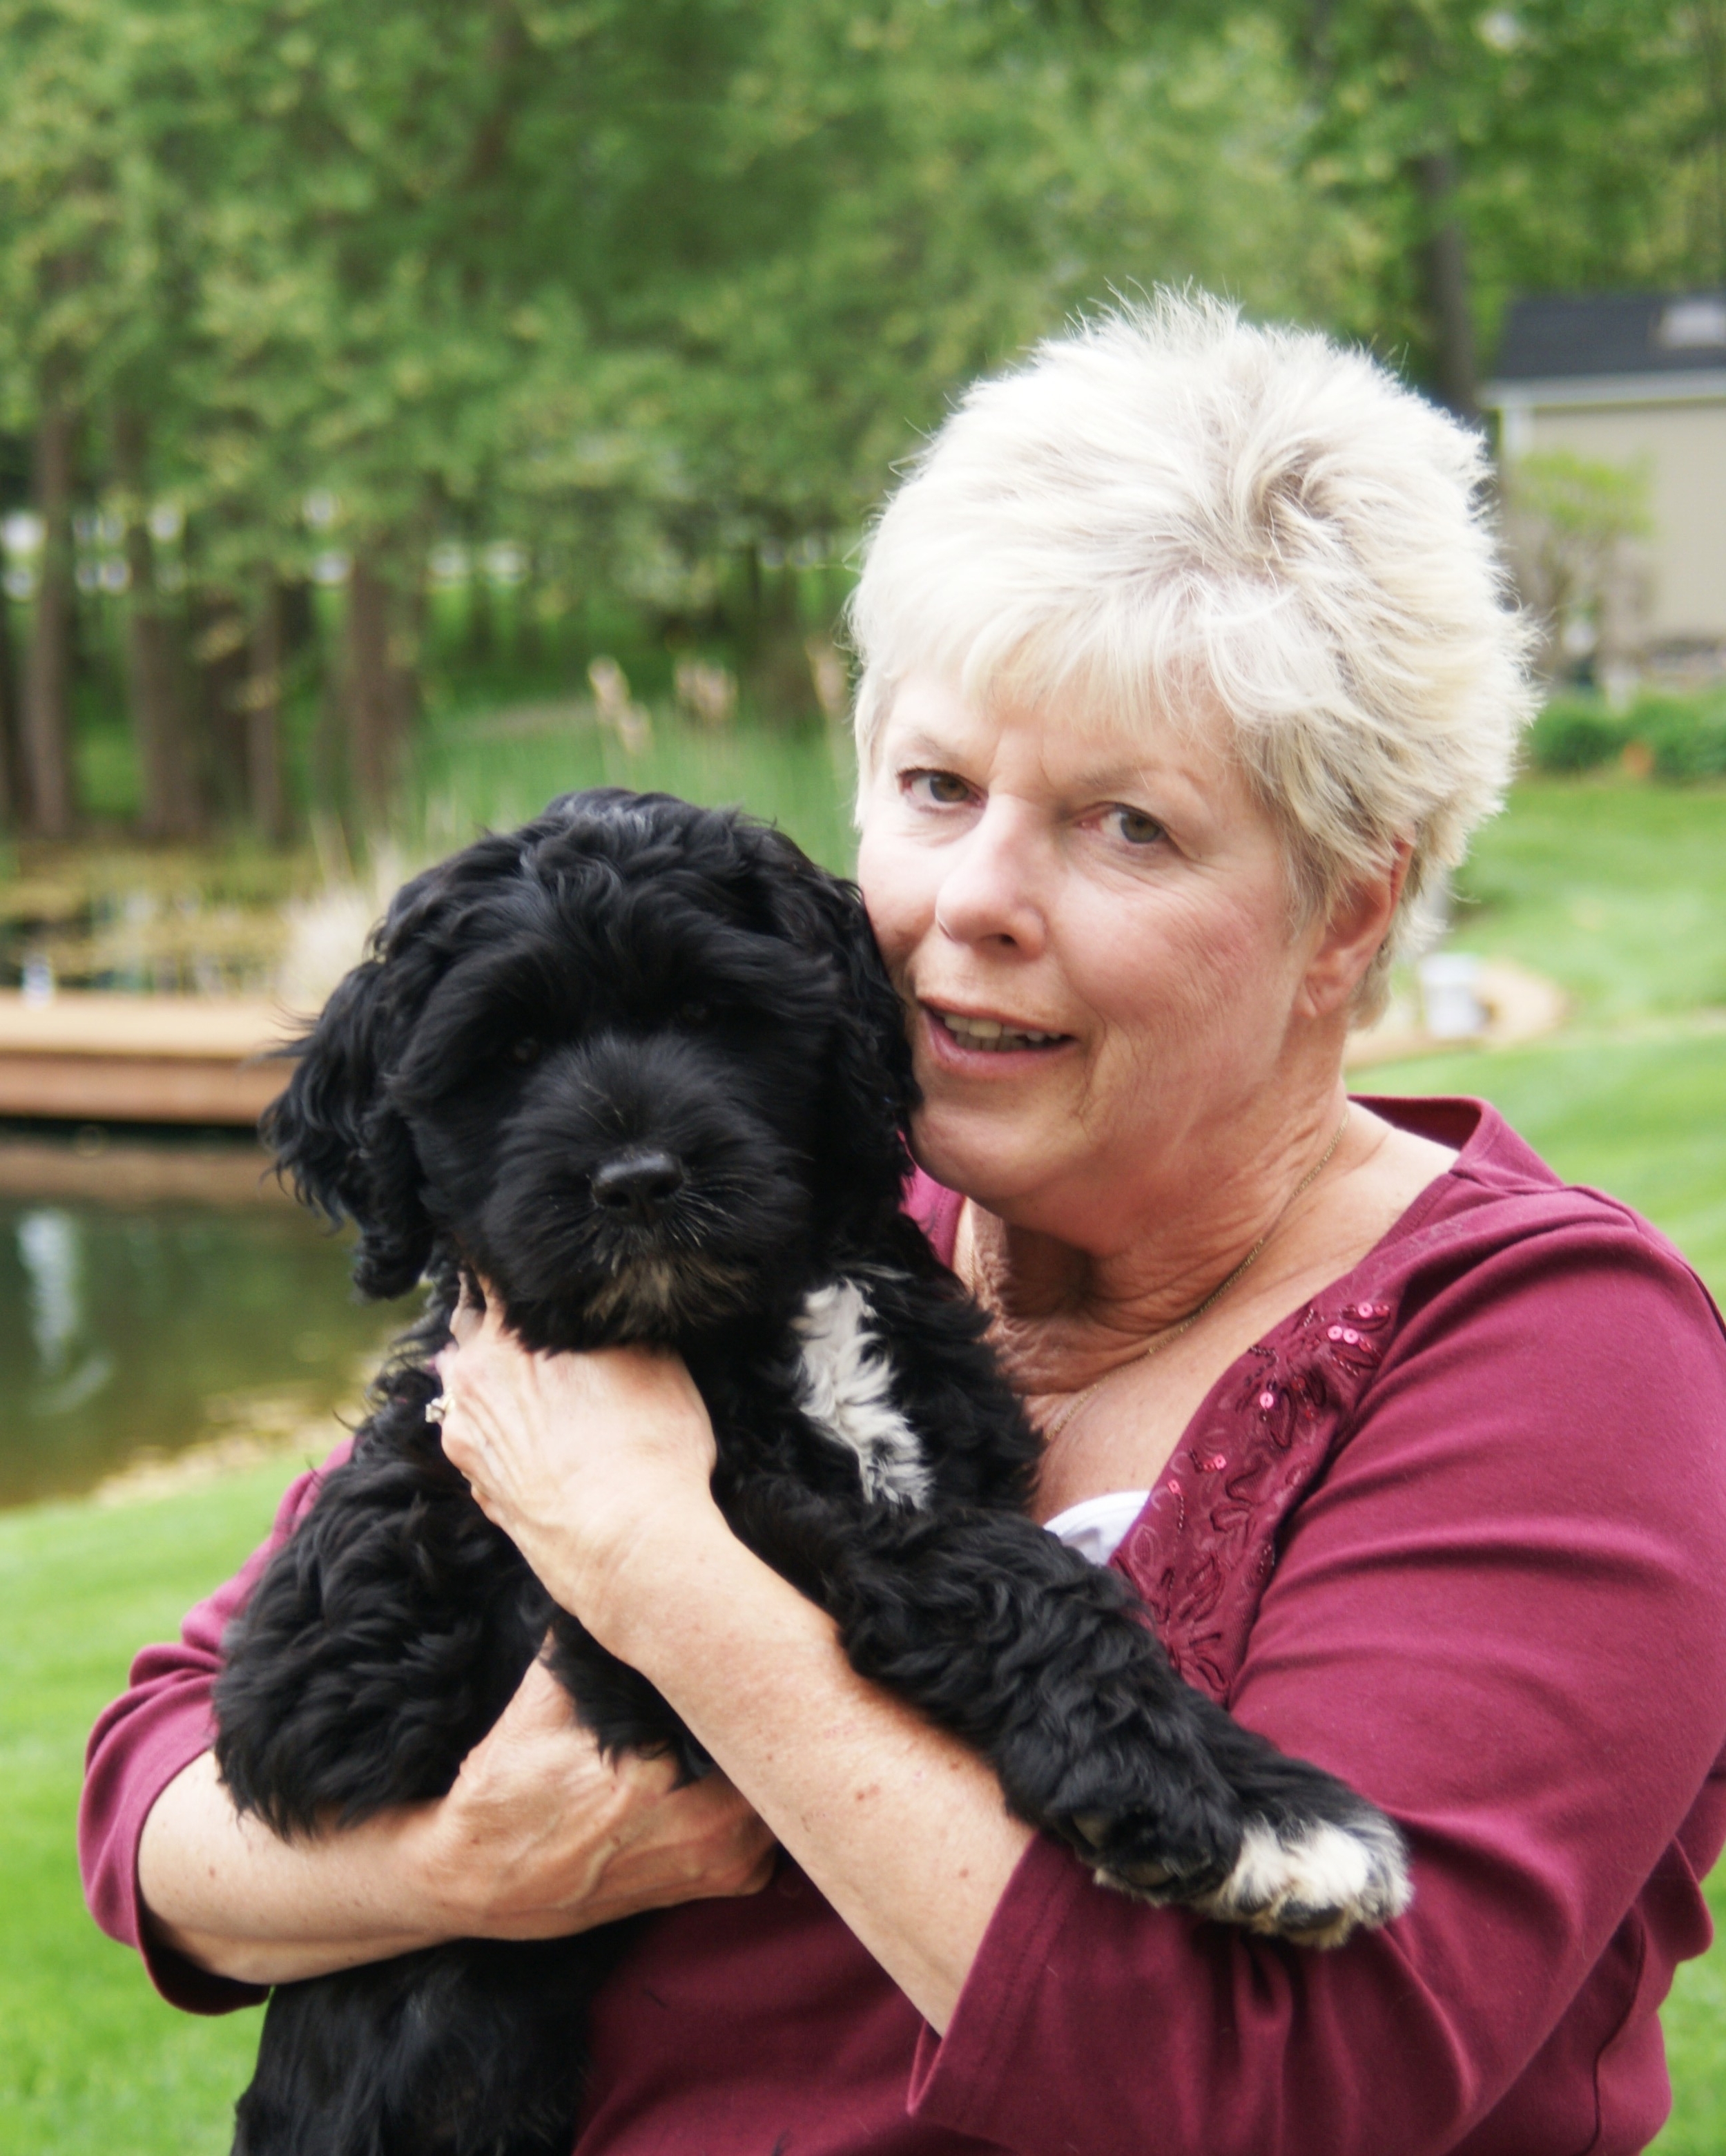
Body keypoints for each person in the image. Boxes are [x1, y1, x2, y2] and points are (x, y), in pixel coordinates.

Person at [83, 295, 1726, 2156]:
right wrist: (471, 1864)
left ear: (1347, 911)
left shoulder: (1555, 1357)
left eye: (1123, 826)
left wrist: (667, 1582)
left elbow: (1293, 2088)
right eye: (937, 788)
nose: (972, 903)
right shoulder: (788, 1226)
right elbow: (159, 1790)